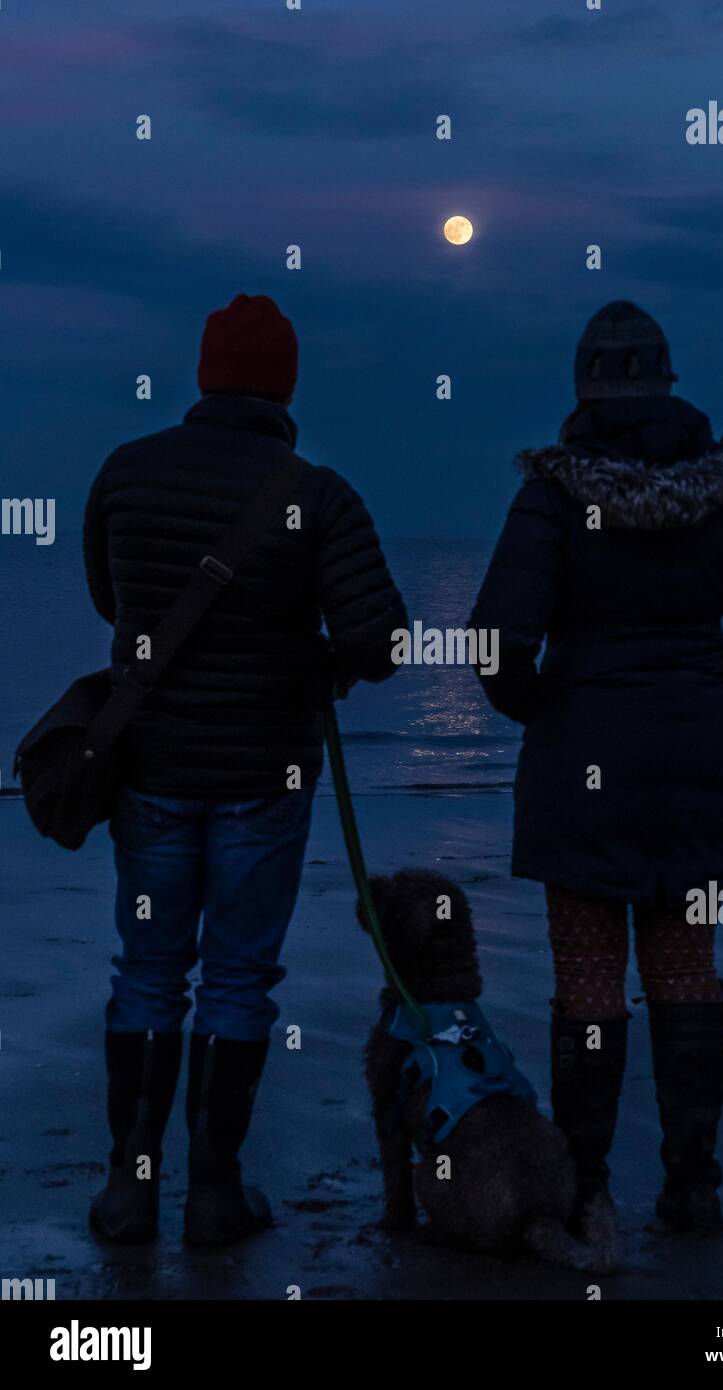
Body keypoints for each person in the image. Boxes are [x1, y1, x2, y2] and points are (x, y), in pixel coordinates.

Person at [469, 301, 723, 1266]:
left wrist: (540, 708)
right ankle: (694, 1188)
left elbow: (497, 641)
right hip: (698, 763)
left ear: (585, 385)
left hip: (585, 768)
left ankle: (589, 1195)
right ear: (668, 382)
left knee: (589, 986)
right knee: (688, 970)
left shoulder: (550, 495)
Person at [83, 294, 406, 1246]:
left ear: (202, 374)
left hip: (150, 771)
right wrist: (320, 660)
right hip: (267, 776)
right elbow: (381, 637)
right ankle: (214, 1193)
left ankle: (128, 1188)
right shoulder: (320, 492)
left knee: (147, 970)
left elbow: (113, 599)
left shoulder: (126, 474)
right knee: (235, 979)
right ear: (287, 384)